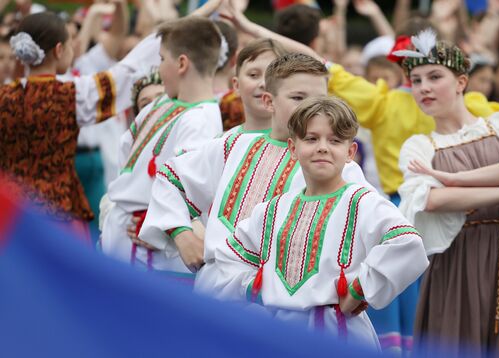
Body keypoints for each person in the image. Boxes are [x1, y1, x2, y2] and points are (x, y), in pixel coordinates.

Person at [139, 53, 372, 292]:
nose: (311, 109)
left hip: (286, 306)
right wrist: (182, 233)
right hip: (216, 291)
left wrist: (355, 290)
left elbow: (370, 231)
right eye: (298, 98)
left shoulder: (338, 167)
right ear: (269, 101)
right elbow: (171, 178)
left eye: (319, 100)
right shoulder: (233, 146)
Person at [214, 96, 428, 348]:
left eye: (335, 140)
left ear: (350, 152)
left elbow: (407, 243)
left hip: (336, 333)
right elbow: (229, 258)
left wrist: (360, 288)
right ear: (293, 148)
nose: (323, 147)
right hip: (277, 332)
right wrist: (255, 288)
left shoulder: (362, 201)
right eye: (311, 138)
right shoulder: (273, 209)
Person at [396, 30, 499, 357]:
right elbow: (431, 200)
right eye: (417, 80)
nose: (423, 87)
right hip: (460, 259)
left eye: (434, 76)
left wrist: (454, 179)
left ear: (461, 82)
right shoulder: (420, 146)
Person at [0, 11, 159, 242]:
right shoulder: (72, 95)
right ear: (58, 50)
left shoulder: (4, 97)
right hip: (60, 211)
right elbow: (127, 71)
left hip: (11, 215)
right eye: (70, 45)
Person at [100, 15, 223, 274]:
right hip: (121, 228)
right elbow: (127, 152)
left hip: (147, 249)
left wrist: (163, 226)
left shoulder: (201, 120)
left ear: (181, 63)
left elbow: (189, 190)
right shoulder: (160, 103)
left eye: (161, 59)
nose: (158, 67)